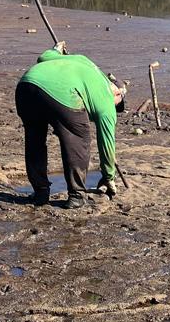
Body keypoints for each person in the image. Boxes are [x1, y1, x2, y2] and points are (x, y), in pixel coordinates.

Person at [15, 41, 125, 208]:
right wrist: (109, 177)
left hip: (26, 86)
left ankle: (40, 193)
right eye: (118, 104)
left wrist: (56, 49)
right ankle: (76, 196)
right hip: (63, 92)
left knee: (35, 141)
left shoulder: (82, 60)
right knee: (78, 138)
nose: (115, 107)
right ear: (117, 92)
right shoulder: (106, 98)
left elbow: (44, 57)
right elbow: (107, 144)